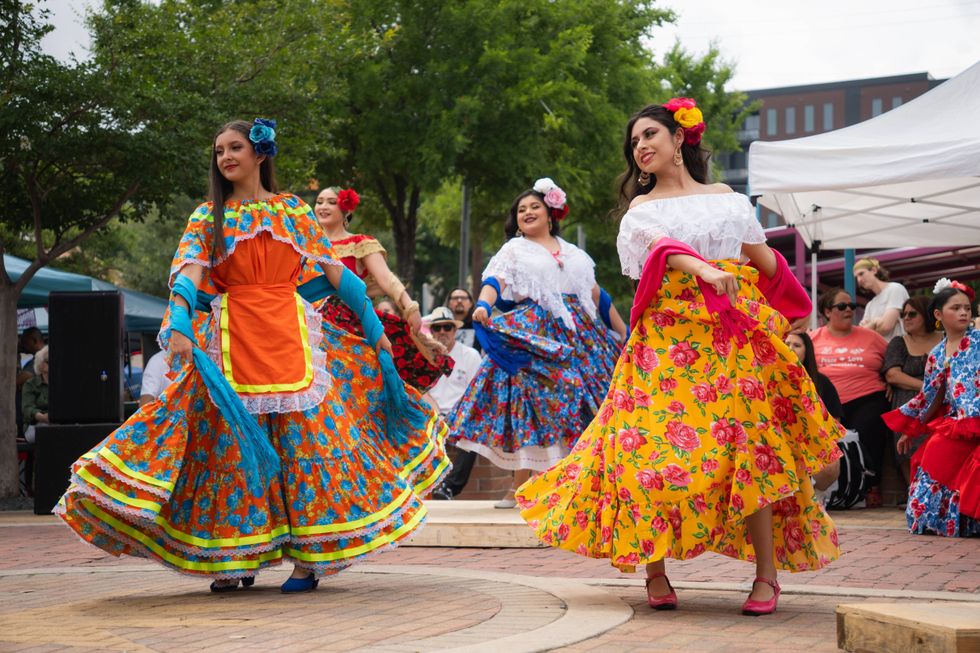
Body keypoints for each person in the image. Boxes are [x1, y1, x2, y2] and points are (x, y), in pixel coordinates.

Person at [56, 119, 448, 593]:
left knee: (306, 448)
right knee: (231, 451)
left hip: (292, 337)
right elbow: (188, 276)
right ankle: (236, 558)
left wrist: (374, 330)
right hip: (230, 338)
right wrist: (178, 324)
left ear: (260, 154)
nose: (225, 157)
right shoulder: (207, 216)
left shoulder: (292, 210)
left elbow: (337, 274)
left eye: (235, 147)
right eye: (219, 150)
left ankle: (310, 562)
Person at [516, 99, 844, 616]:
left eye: (649, 135)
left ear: (678, 139)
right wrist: (707, 271)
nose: (640, 146)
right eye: (634, 142)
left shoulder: (729, 200)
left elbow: (763, 260)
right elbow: (663, 247)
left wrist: (794, 305)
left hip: (731, 340)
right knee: (645, 450)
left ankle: (766, 578)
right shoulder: (640, 212)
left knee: (749, 449)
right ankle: (655, 569)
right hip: (664, 343)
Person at [451, 178, 626, 509]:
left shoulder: (575, 253)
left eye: (534, 206)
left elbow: (596, 295)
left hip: (581, 334)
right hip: (537, 329)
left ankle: (574, 484)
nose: (527, 212)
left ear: (551, 213)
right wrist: (483, 306)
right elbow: (494, 280)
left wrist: (621, 331)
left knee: (583, 403)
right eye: (521, 209)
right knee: (531, 402)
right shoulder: (514, 250)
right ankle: (519, 488)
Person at [312, 185, 453, 391]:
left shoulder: (359, 243)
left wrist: (409, 306)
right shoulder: (307, 244)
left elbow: (386, 278)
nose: (323, 206)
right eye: (319, 201)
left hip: (347, 325)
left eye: (331, 202)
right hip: (309, 321)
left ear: (346, 209)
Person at [883, 279, 980, 537]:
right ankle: (944, 522)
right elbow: (930, 396)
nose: (963, 313)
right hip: (958, 422)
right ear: (938, 314)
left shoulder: (979, 340)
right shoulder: (937, 354)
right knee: (933, 457)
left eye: (967, 309)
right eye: (956, 308)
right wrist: (910, 431)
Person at [810, 287, 890, 507]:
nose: (849, 311)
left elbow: (893, 360)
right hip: (825, 401)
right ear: (827, 311)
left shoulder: (871, 337)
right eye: (842, 306)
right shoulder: (813, 337)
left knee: (870, 426)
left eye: (852, 307)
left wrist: (892, 380)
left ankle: (871, 484)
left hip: (865, 396)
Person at [421, 307, 483, 500]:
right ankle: (419, 491)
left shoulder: (470, 355)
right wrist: (436, 414)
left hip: (461, 414)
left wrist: (457, 414)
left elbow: (476, 393)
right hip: (432, 414)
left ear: (455, 330)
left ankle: (448, 488)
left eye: (447, 327)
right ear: (430, 331)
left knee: (473, 433)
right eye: (437, 328)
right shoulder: (422, 356)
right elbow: (421, 392)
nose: (442, 332)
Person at [882, 295, 942, 483]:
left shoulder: (946, 339)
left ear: (927, 315)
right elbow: (892, 375)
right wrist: (927, 388)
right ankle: (914, 494)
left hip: (942, 404)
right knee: (908, 453)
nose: (906, 318)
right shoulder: (899, 342)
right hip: (909, 405)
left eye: (912, 314)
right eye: (903, 314)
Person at [854, 258, 909, 340]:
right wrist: (875, 322)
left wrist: (871, 324)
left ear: (874, 270)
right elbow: (862, 334)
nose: (859, 280)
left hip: (900, 350)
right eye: (856, 277)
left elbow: (886, 326)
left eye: (861, 274)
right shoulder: (870, 304)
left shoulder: (895, 288)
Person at [21, 345, 49, 444]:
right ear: (40, 364)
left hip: (58, 424)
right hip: (35, 425)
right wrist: (41, 417)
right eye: (48, 361)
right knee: (47, 430)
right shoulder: (30, 384)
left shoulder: (61, 384)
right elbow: (27, 408)